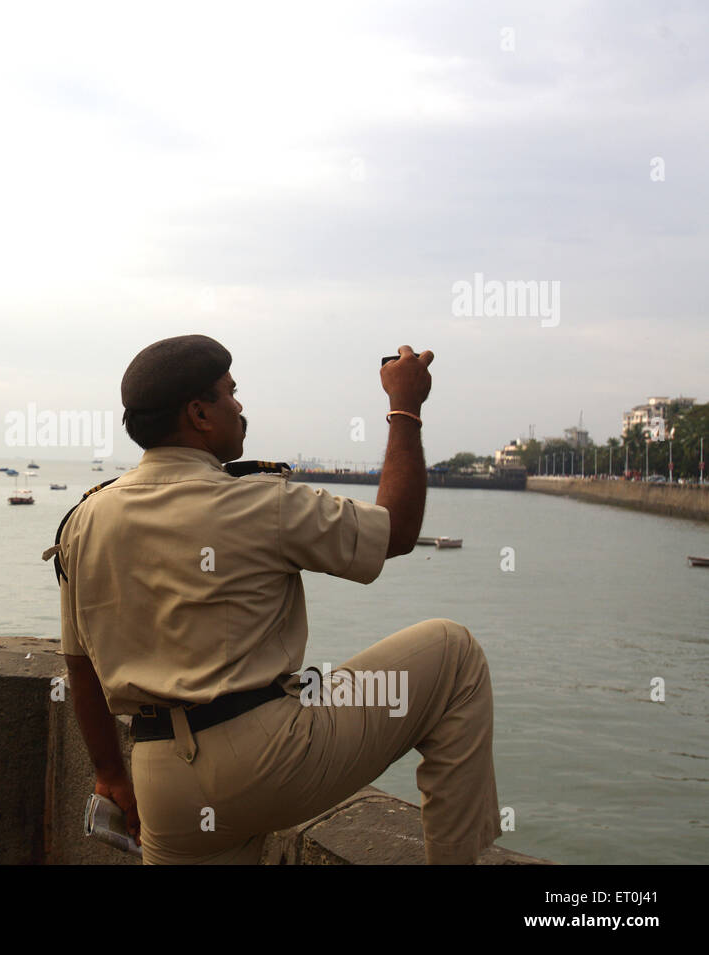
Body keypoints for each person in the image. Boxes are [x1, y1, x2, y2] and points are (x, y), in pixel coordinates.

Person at [49, 334, 500, 864]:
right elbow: (396, 531)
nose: (240, 407)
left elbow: (81, 670)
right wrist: (405, 408)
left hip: (161, 780)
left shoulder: (84, 521)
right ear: (199, 413)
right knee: (453, 653)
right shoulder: (262, 502)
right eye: (230, 393)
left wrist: (109, 774)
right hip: (271, 760)